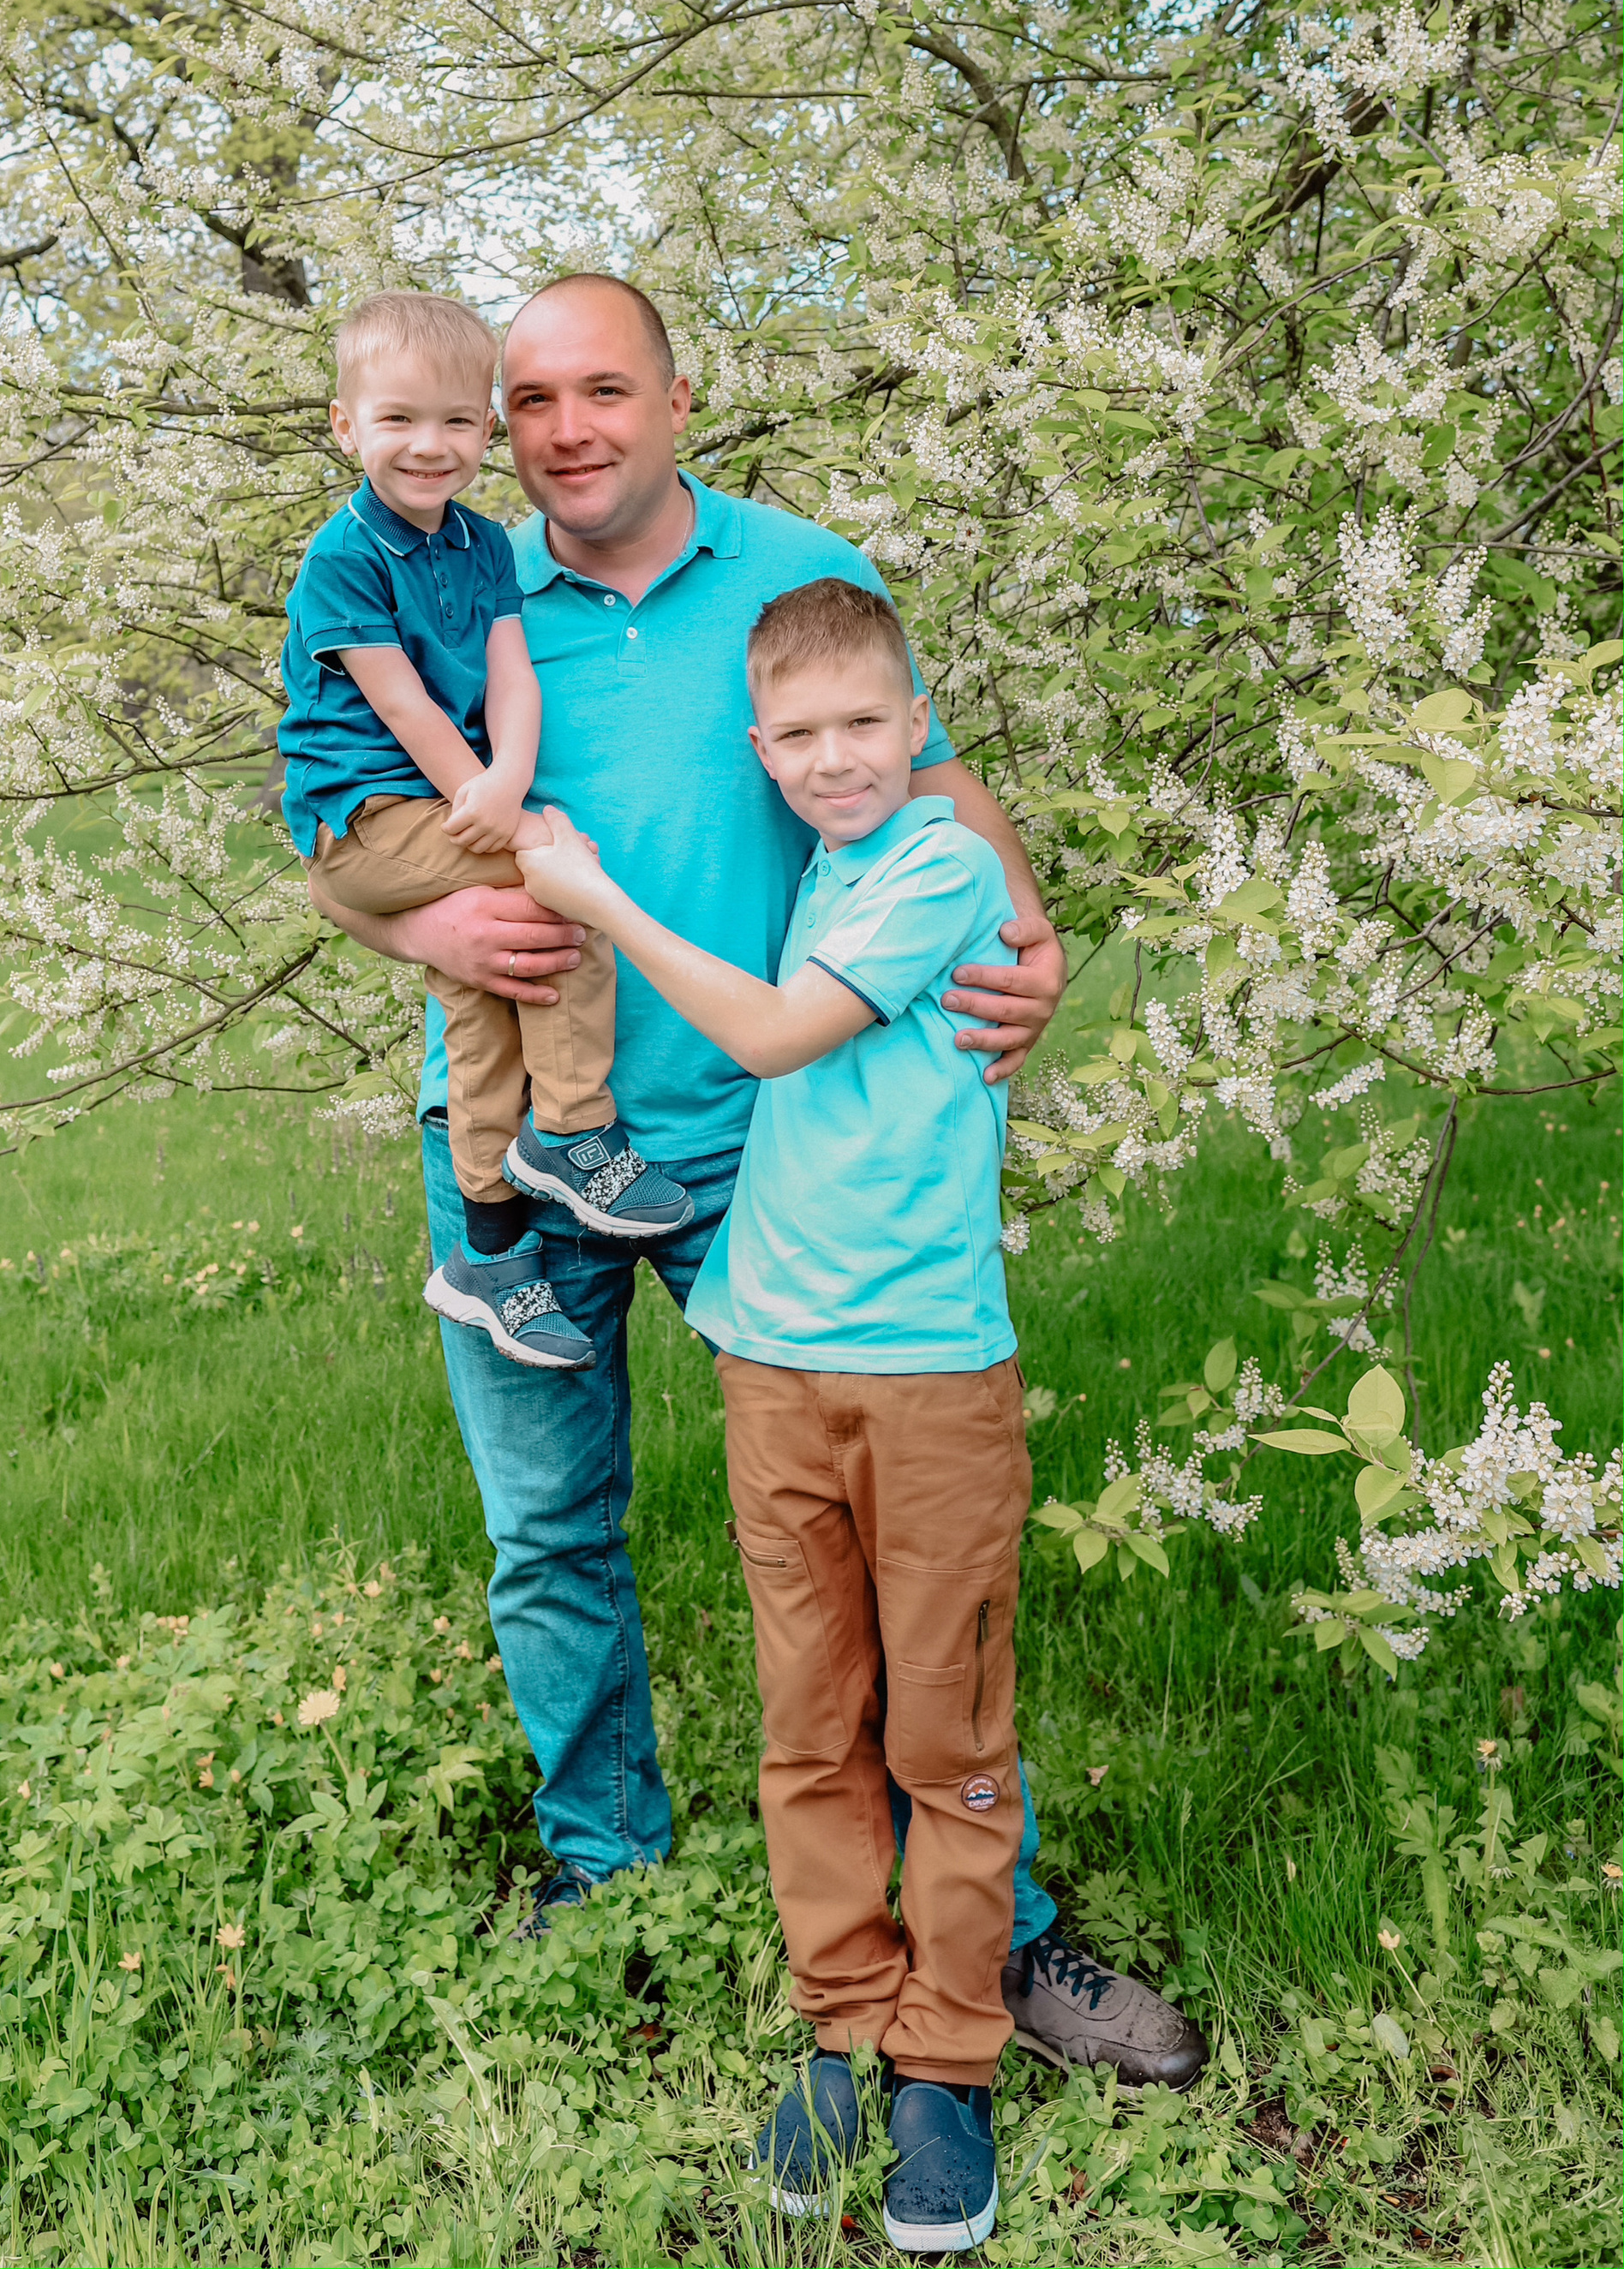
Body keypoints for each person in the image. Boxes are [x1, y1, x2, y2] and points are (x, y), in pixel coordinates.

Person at [305, 272, 1206, 2093]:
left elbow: (927, 778)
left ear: (676, 396)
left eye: (602, 391)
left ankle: (992, 1930)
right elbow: (337, 848)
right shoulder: (446, 570)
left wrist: (1024, 936)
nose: (567, 430)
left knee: (878, 1571)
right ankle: (606, 1878)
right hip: (516, 1154)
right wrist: (413, 911)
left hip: (769, 1151)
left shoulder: (798, 572)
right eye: (533, 398)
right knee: (552, 1536)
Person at [518, 575, 1030, 2251]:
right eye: (797, 737)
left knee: (939, 1739)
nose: (830, 760)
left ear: (915, 724)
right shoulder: (831, 862)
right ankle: (838, 2026)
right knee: (809, 1724)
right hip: (770, 1362)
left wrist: (593, 900)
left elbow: (770, 1036)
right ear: (762, 748)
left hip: (927, 1375)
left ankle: (943, 2066)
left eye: (863, 727)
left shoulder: (937, 865)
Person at [278, 290, 696, 1371]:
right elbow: (407, 707)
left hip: (448, 798)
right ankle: (570, 1128)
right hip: (364, 817)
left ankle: (492, 1251)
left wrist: (510, 775)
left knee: (483, 995)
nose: (432, 447)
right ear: (344, 426)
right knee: (566, 881)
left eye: (460, 422)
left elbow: (508, 674)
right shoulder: (343, 559)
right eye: (399, 421)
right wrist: (504, 816)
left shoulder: (477, 545)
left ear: (486, 431)